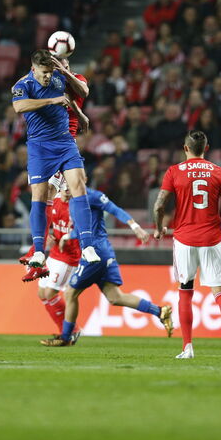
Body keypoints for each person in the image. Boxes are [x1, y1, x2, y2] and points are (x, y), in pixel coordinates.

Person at [151, 130, 221, 360]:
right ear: (206, 149)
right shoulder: (218, 172)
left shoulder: (174, 172)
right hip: (212, 239)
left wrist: (158, 228)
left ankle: (188, 347)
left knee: (185, 292)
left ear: (185, 148)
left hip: (184, 240)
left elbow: (158, 206)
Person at [40, 187, 169, 347]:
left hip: (95, 252)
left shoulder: (92, 196)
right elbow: (83, 229)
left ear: (82, 179)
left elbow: (115, 209)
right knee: (116, 297)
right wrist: (68, 235)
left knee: (70, 293)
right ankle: (160, 311)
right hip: (104, 251)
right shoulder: (73, 201)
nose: (66, 187)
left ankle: (66, 337)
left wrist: (135, 228)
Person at [11, 49, 97, 279]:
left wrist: (80, 114)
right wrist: (51, 99)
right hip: (40, 148)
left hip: (65, 142)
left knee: (78, 186)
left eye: (52, 71)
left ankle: (87, 244)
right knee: (40, 196)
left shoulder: (60, 77)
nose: (49, 76)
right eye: (45, 72)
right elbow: (19, 107)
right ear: (33, 68)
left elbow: (73, 96)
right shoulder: (22, 85)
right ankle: (38, 252)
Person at [24, 177, 82, 338]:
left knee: (50, 293)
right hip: (55, 253)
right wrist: (47, 233)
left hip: (70, 257)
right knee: (41, 293)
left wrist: (69, 236)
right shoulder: (54, 201)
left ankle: (72, 330)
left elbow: (85, 228)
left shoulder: (77, 206)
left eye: (71, 186)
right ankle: (63, 329)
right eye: (66, 185)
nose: (68, 189)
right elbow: (45, 218)